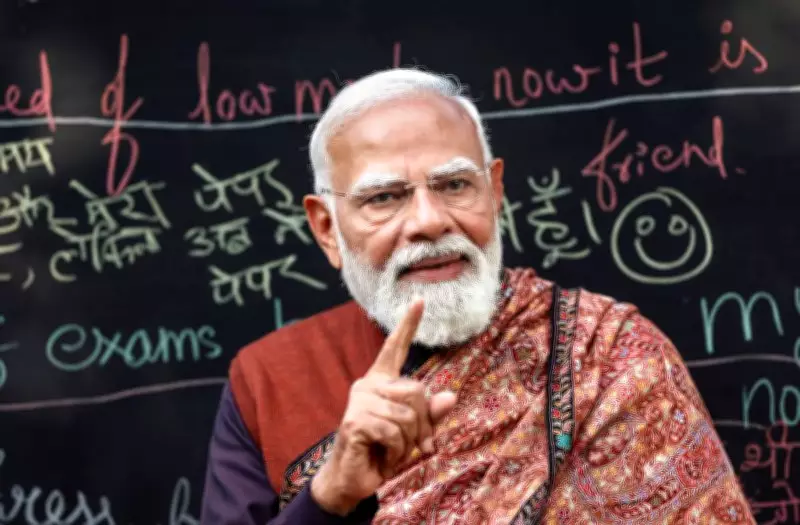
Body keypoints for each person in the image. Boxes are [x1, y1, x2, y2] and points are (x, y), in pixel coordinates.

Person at [199, 68, 755, 524]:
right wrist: (328, 500)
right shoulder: (269, 380)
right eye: (385, 197)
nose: (429, 221)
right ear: (327, 228)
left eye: (454, 185)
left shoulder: (612, 357)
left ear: (496, 191)